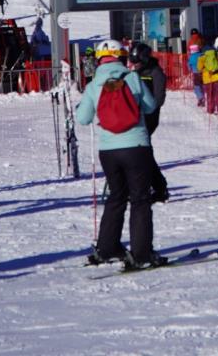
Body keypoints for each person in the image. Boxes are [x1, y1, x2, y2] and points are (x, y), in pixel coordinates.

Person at [77, 39, 163, 268]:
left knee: (116, 196)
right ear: (121, 56)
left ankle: (107, 248)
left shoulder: (94, 84)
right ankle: (142, 254)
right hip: (136, 146)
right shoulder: (132, 78)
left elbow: (83, 118)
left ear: (99, 59)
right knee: (140, 199)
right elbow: (151, 106)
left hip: (108, 150)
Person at [130, 42, 169, 203]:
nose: (135, 65)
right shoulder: (135, 72)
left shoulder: (155, 72)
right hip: (134, 116)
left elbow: (159, 98)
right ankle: (156, 186)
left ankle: (158, 187)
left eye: (137, 61)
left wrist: (147, 108)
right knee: (141, 152)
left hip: (149, 117)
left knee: (142, 152)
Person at [198, 46, 218, 114]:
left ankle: (210, 110)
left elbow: (199, 68)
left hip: (208, 78)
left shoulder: (202, 57)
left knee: (210, 95)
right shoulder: (217, 54)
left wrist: (205, 70)